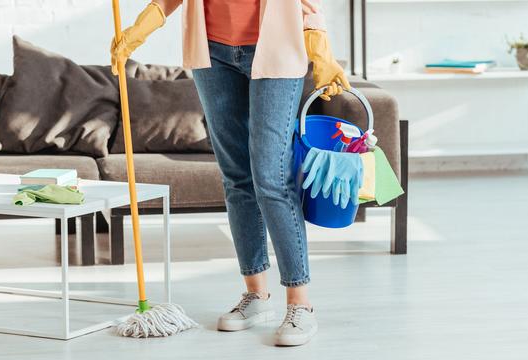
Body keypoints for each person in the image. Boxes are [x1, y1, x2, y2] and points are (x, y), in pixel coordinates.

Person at [110, 0, 350, 346]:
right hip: (213, 53)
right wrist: (138, 30)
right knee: (236, 178)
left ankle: (300, 303)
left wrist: (320, 50)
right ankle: (257, 294)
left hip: (277, 49)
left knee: (271, 179)